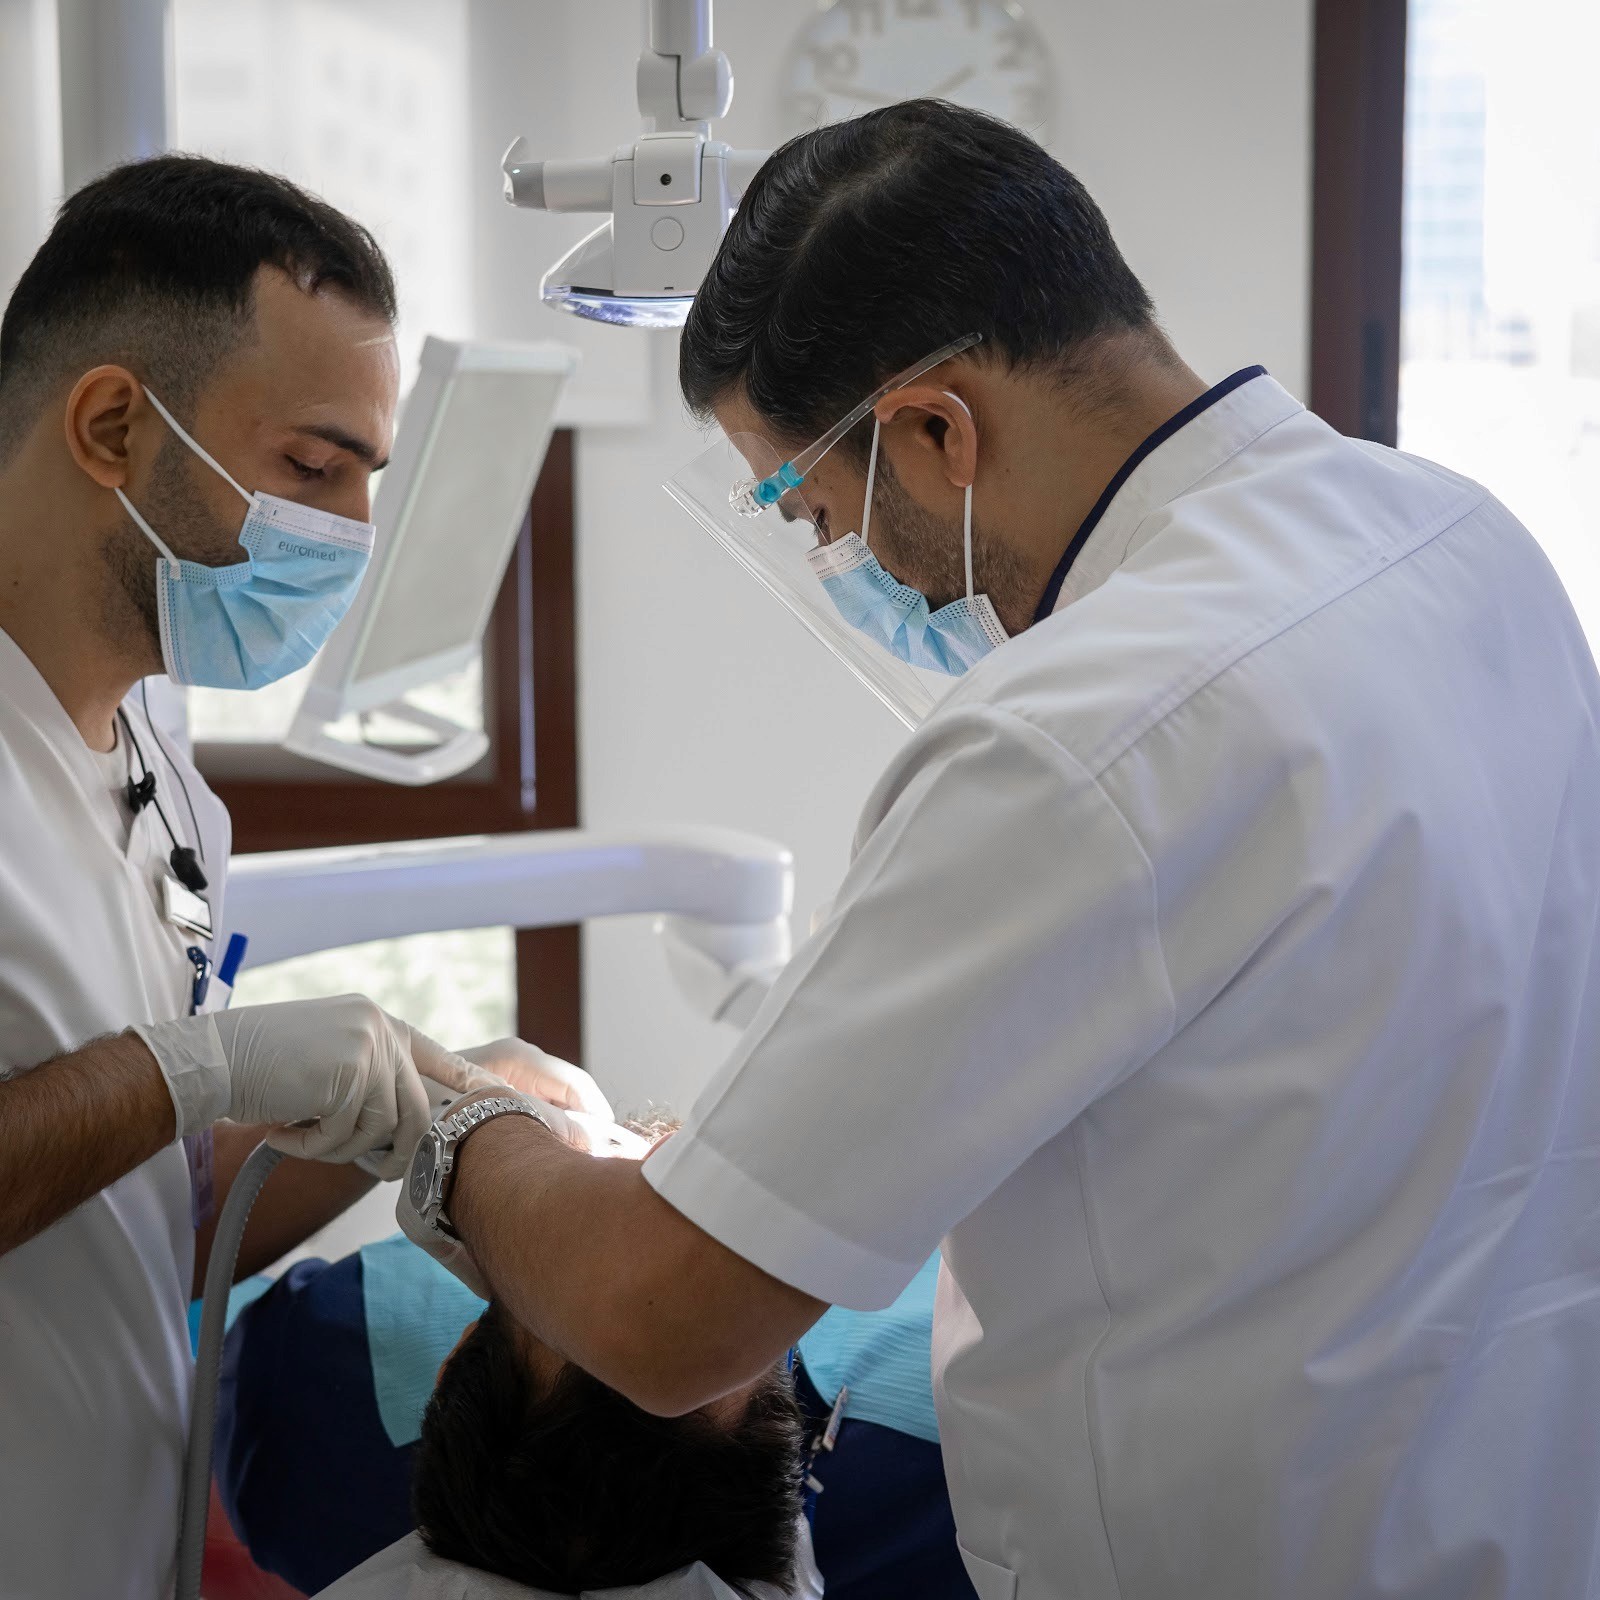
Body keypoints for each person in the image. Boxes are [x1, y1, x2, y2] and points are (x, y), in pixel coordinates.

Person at [393, 100, 1600, 1600]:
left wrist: (444, 1126)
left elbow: (663, 1319)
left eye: (816, 512)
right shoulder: (1457, 538)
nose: (850, 566)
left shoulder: (1077, 734)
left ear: (937, 429)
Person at [0, 160, 606, 1599]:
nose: (345, 531)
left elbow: (152, 1210)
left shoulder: (161, 760)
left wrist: (413, 1114)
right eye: (311, 469)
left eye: (364, 482)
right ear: (109, 426)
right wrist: (201, 1064)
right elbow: (167, 1088)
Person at [213, 1119, 973, 1598]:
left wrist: (472, 1125)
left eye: (550, 1289)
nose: (659, 1151)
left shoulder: (317, 1380)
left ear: (449, 1359)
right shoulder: (963, 1455)